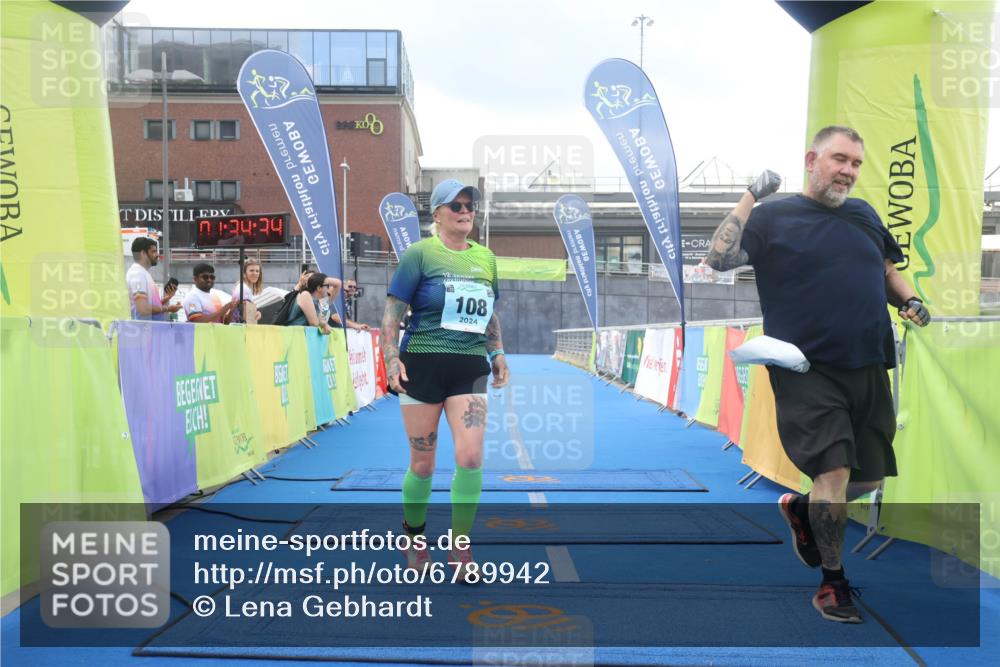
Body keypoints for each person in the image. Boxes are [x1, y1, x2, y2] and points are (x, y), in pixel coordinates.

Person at [706, 125, 931, 624]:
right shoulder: (774, 216)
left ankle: (802, 510)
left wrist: (911, 299)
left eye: (856, 163)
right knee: (834, 472)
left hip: (869, 361)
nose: (848, 171)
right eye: (839, 159)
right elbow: (719, 259)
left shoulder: (866, 215)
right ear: (813, 159)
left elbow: (887, 270)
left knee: (868, 478)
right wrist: (750, 194)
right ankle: (833, 584)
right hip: (804, 367)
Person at [381, 179, 510, 582]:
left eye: (469, 205)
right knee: (423, 464)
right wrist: (390, 360)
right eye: (455, 205)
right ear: (436, 214)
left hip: (469, 367)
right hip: (423, 363)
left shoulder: (486, 259)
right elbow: (390, 314)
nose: (465, 210)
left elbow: (488, 313)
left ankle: (460, 547)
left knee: (470, 457)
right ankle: (415, 538)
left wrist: (498, 352)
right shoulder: (419, 255)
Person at [126, 237, 181, 320]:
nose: (157, 254)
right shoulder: (138, 274)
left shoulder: (142, 273)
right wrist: (168, 308)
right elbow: (143, 309)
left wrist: (166, 299)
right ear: (143, 253)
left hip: (148, 330)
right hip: (143, 331)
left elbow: (146, 306)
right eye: (154, 251)